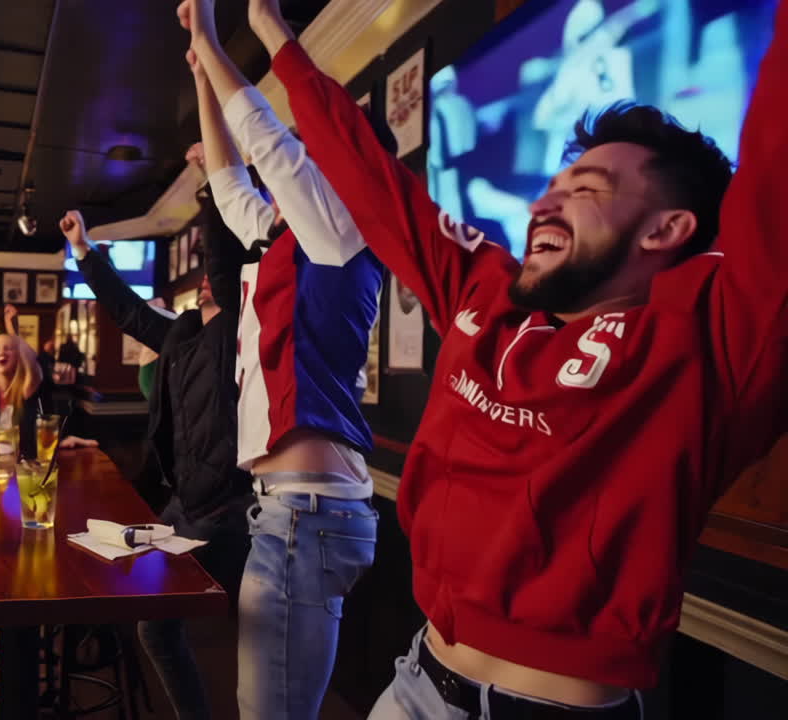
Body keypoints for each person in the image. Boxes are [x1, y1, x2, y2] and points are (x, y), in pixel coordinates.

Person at [245, 0, 787, 717]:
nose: (543, 206)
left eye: (586, 191)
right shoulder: (485, 294)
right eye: (552, 187)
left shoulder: (709, 345)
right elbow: (374, 181)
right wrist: (275, 39)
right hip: (415, 677)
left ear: (669, 229)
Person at [179, 3, 384, 717]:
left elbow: (266, 146)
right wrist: (205, 73)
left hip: (309, 515)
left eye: (321, 149)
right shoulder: (294, 240)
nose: (302, 162)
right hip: (292, 514)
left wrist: (210, 34)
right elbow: (236, 186)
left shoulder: (345, 229)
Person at [62, 204, 253, 720]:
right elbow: (125, 309)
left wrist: (213, 194)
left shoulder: (240, 334)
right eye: (206, 283)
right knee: (154, 622)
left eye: (217, 279)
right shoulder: (180, 334)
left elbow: (226, 267)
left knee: (245, 637)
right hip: (184, 504)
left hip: (228, 509)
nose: (208, 285)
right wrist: (83, 250)